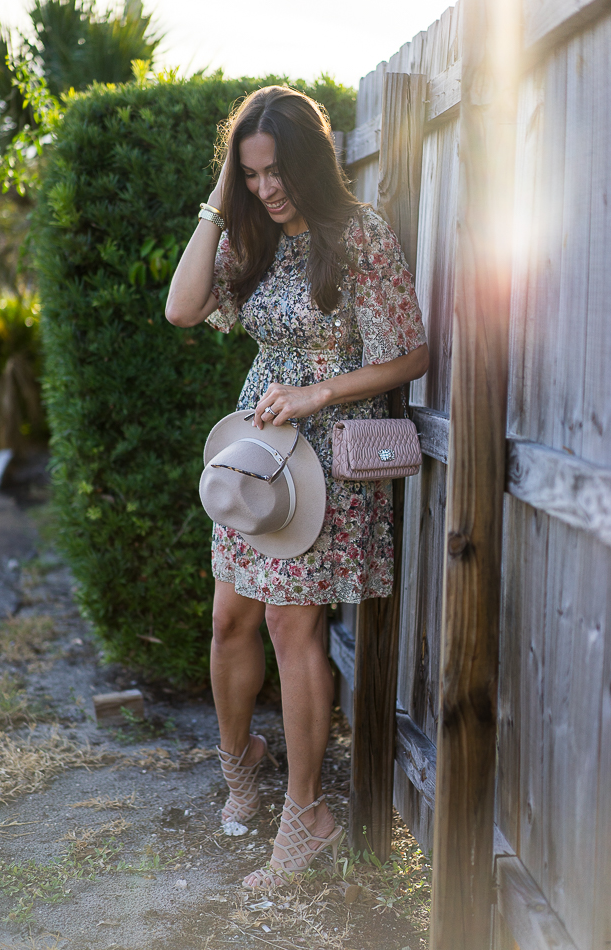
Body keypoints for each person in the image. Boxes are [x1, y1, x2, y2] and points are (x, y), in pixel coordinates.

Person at [166, 85, 429, 888]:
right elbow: (182, 309)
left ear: (308, 162)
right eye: (250, 174)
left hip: (329, 457)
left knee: (289, 626)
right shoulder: (249, 238)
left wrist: (318, 392)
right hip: (257, 457)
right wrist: (221, 194)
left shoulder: (358, 236)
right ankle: (241, 761)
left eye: (275, 171)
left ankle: (307, 813)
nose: (266, 189)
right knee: (227, 620)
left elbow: (410, 354)